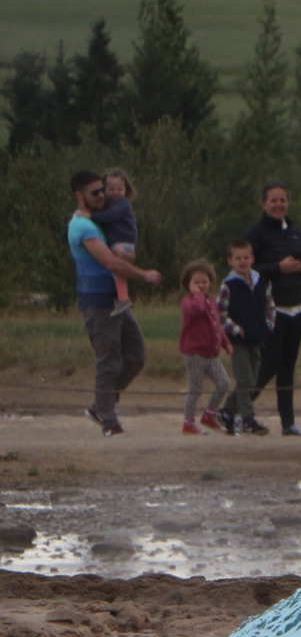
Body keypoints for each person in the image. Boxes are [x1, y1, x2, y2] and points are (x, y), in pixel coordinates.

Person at [67, 169, 162, 437]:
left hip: (115, 298)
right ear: (79, 195)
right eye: (95, 192)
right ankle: (108, 419)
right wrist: (144, 274)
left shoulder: (97, 221)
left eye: (103, 190)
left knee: (135, 356)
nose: (102, 196)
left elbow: (119, 251)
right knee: (108, 360)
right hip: (98, 302)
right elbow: (109, 261)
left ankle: (101, 405)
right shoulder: (82, 225)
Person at [244, 180, 301, 437]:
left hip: (297, 306)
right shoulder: (255, 233)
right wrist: (277, 268)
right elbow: (246, 271)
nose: (278, 204)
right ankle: (235, 410)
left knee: (287, 366)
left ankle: (288, 422)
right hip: (270, 308)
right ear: (263, 203)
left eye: (282, 200)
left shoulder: (295, 230)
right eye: (273, 200)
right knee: (269, 364)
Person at [217, 240, 276, 436]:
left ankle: (226, 411)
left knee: (252, 380)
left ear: (252, 258)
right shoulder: (228, 285)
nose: (242, 261)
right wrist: (235, 329)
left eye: (246, 257)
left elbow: (270, 305)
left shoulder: (261, 281)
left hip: (257, 337)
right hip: (239, 340)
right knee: (244, 379)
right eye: (238, 258)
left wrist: (268, 324)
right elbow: (220, 314)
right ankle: (247, 418)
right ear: (230, 261)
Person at [176, 260, 235, 436]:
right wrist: (197, 295)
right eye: (196, 282)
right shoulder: (188, 302)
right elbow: (197, 310)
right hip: (194, 353)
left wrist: (225, 343)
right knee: (196, 388)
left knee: (224, 382)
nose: (201, 285)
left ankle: (210, 414)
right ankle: (188, 422)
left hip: (211, 354)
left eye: (204, 281)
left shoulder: (212, 301)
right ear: (188, 284)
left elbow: (217, 325)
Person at [96, 169, 140, 318]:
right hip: (118, 241)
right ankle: (119, 297)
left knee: (116, 269)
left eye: (119, 189)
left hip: (123, 241)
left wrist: (91, 216)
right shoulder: (109, 203)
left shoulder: (122, 203)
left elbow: (110, 216)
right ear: (105, 189)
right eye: (111, 189)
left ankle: (123, 298)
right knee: (114, 270)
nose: (115, 192)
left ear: (125, 189)